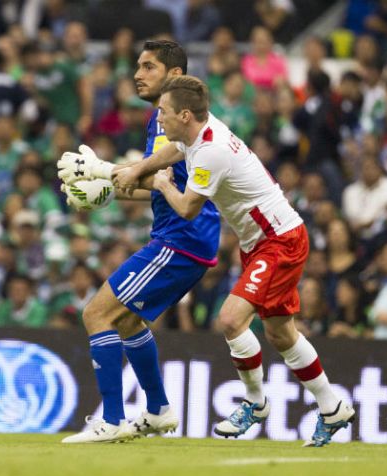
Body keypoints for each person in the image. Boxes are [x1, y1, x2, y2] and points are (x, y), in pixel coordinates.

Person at [107, 75, 355, 447]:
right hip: (261, 241)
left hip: (279, 240)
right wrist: (138, 170)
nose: (159, 119)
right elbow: (173, 151)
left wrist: (160, 184)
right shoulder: (200, 133)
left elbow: (188, 208)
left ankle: (255, 404)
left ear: (185, 115)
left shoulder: (211, 151)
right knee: (280, 334)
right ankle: (332, 407)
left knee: (230, 319)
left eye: (164, 112)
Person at [56, 41, 222, 443]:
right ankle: (159, 410)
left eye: (148, 66)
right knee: (129, 320)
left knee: (97, 314)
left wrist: (101, 172)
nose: (137, 74)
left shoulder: (175, 122)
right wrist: (109, 189)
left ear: (175, 75)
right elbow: (157, 185)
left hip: (181, 238)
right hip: (187, 238)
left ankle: (111, 419)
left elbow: (153, 177)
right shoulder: (161, 120)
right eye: (137, 66)